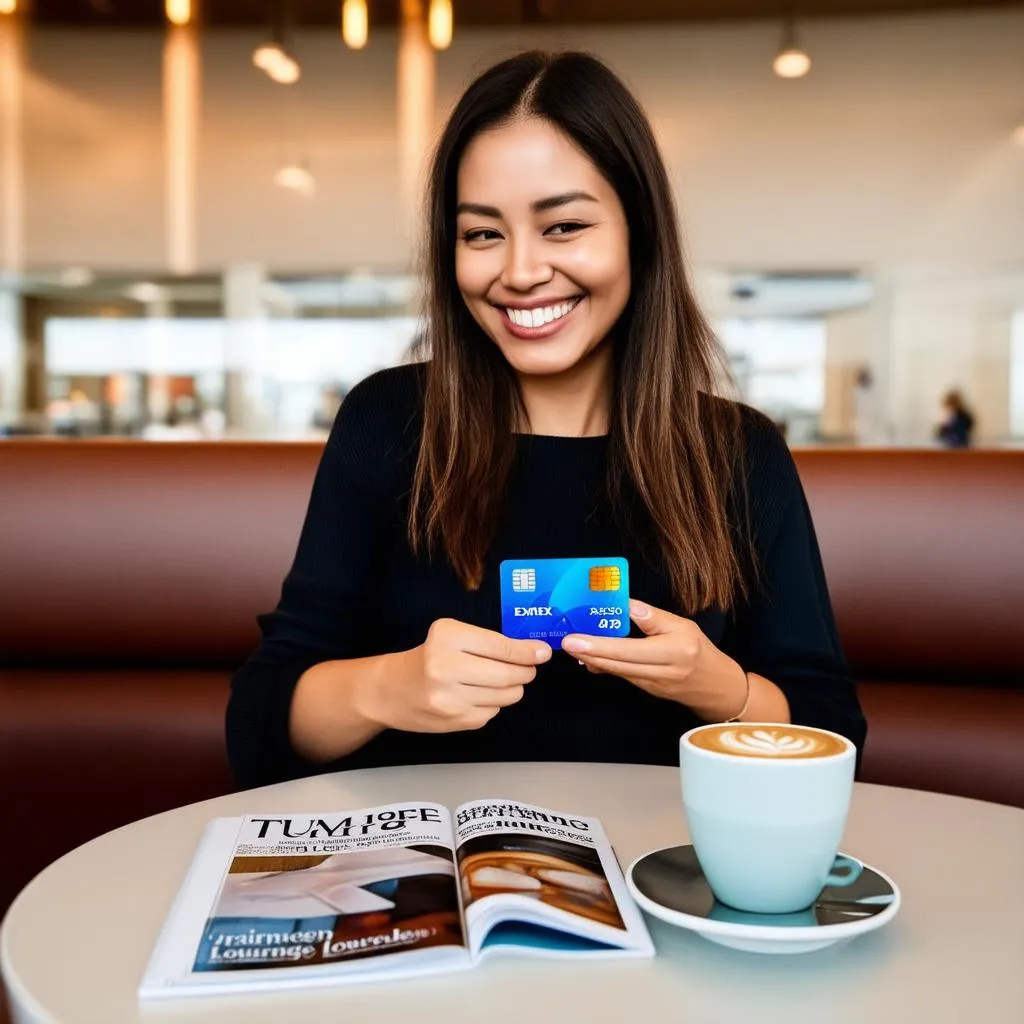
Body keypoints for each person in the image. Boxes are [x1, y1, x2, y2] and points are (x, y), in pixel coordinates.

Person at [226, 51, 866, 789]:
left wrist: (720, 690)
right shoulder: (388, 421)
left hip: (663, 876)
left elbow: (835, 735)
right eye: (482, 234)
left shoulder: (738, 453)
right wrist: (388, 687)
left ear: (639, 232)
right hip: (433, 876)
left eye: (563, 227)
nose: (521, 271)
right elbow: (259, 726)